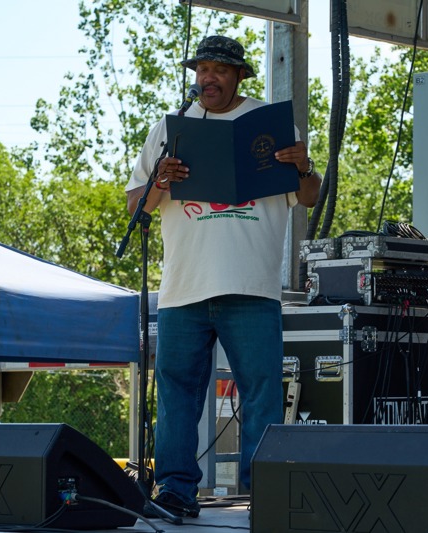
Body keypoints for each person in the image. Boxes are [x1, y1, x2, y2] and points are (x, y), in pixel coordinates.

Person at [125, 35, 321, 518]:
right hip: (183, 288)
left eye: (218, 69)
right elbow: (136, 207)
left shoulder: (271, 125)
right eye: (201, 69)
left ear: (238, 76)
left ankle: (264, 495)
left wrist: (304, 166)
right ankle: (175, 490)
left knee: (261, 393)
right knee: (176, 393)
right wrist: (160, 181)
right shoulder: (170, 129)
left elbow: (310, 197)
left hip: (251, 286)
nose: (207, 77)